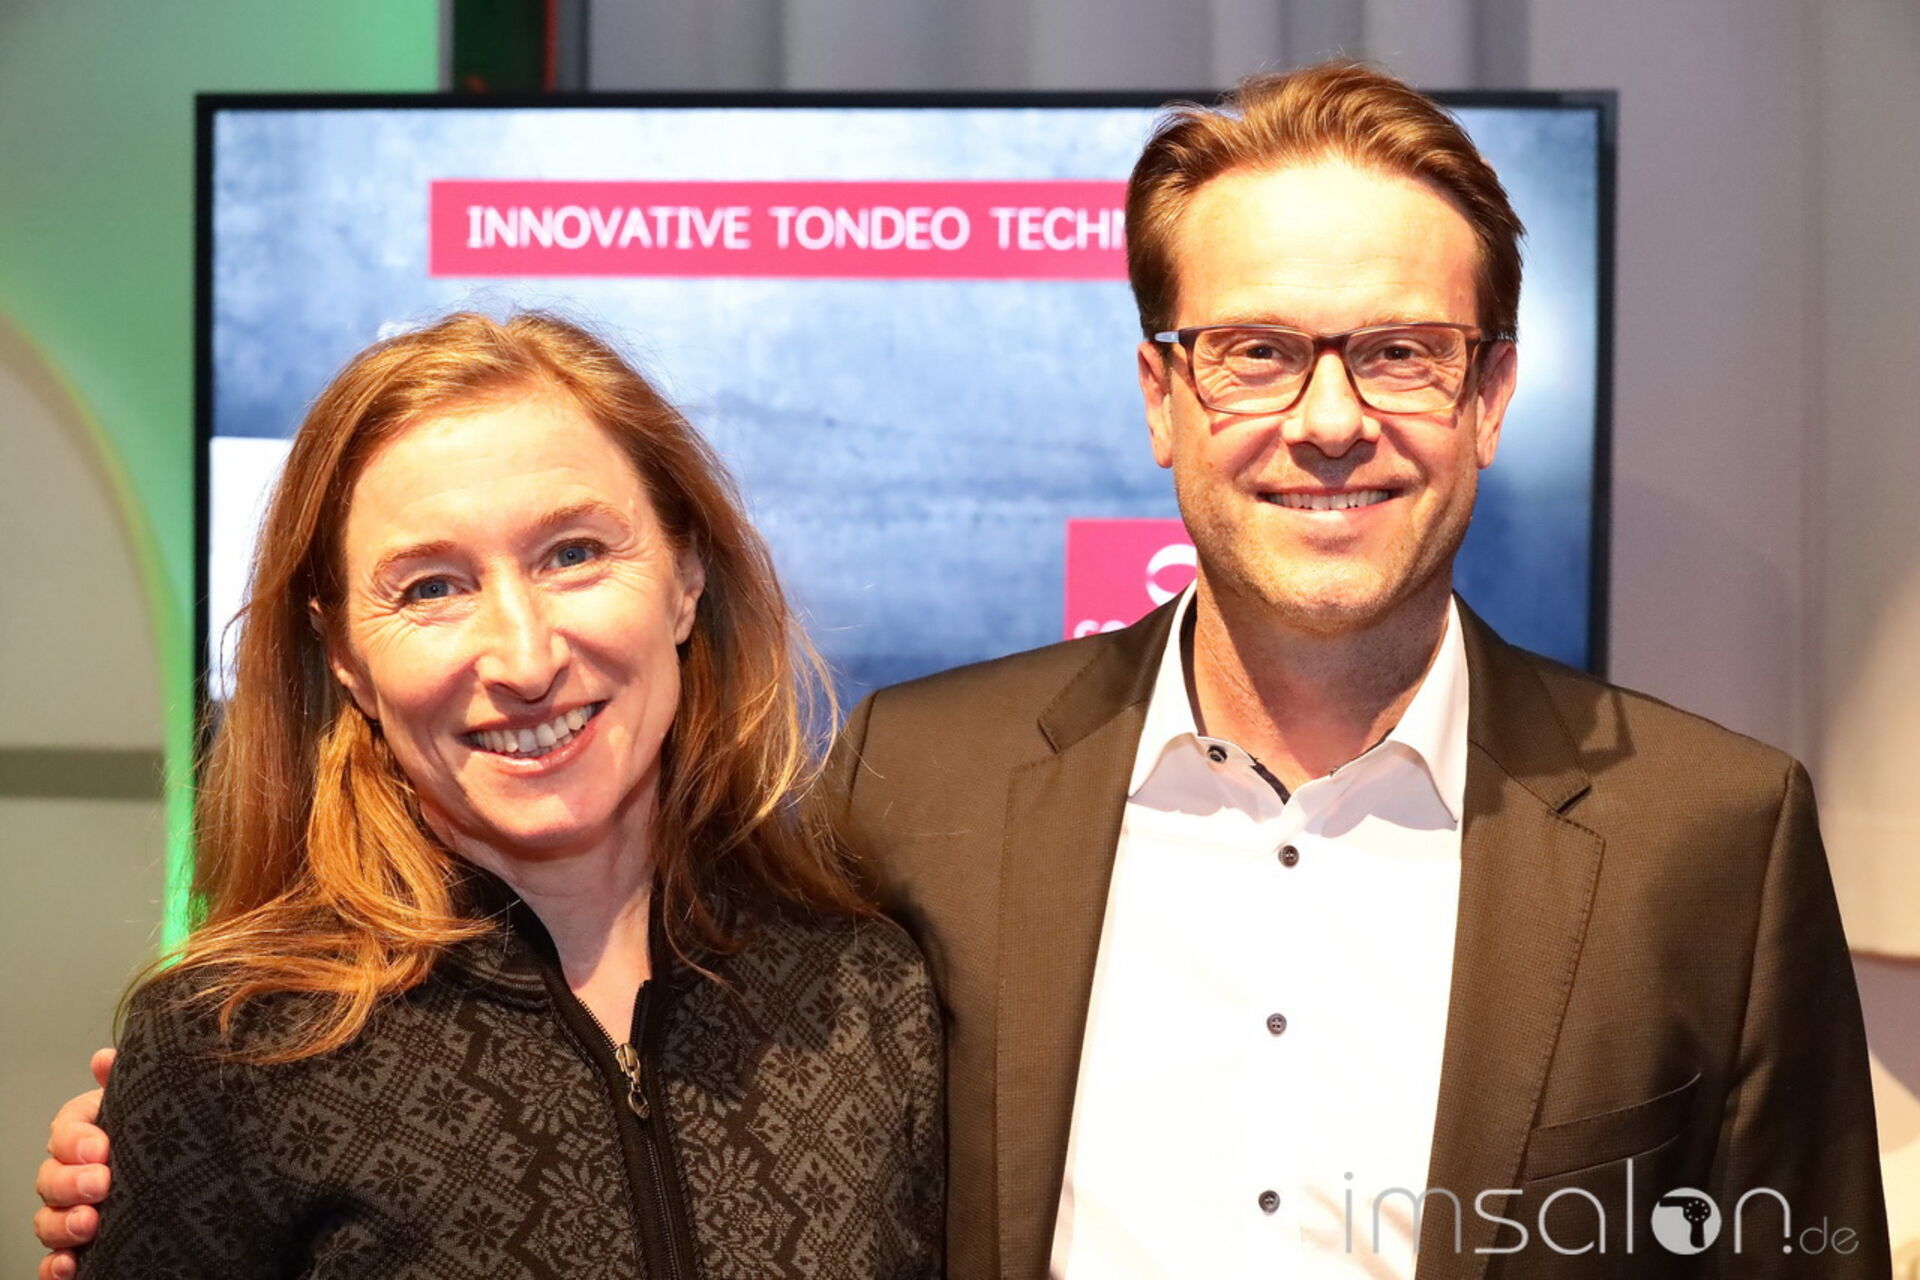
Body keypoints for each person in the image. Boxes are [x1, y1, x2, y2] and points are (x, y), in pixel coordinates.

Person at [38, 61, 1890, 1278]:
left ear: (1489, 395)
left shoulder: (1709, 840)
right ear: (1161, 395)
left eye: (1401, 351)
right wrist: (173, 1156)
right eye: (1254, 351)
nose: (1329, 419)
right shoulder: (918, 792)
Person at [39, 311, 943, 1278]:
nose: (523, 659)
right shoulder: (234, 1049)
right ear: (344, 656)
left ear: (686, 576)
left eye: (574, 554)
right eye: (431, 588)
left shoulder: (868, 994)